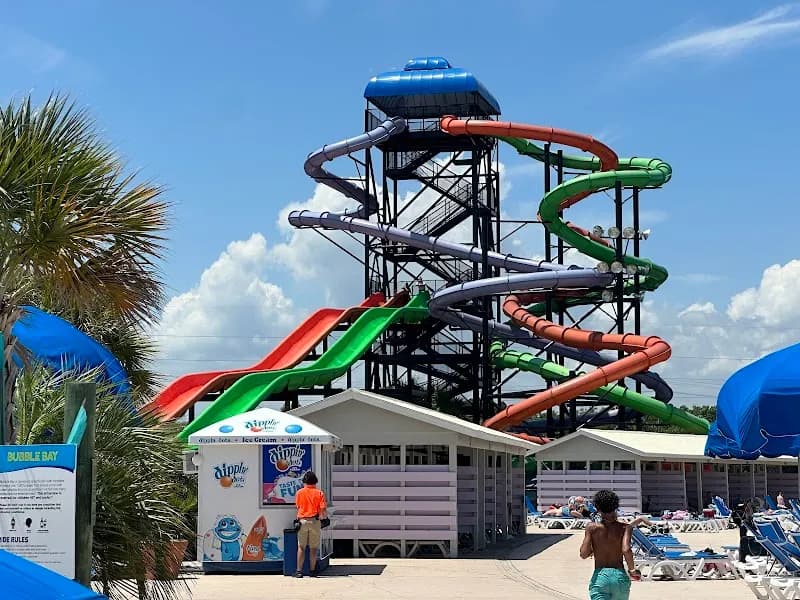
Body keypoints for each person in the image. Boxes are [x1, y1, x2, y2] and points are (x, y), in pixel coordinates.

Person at [579, 489, 639, 599]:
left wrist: (594, 548)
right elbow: (626, 550)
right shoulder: (625, 528)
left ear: (597, 508)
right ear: (616, 506)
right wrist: (632, 570)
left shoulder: (591, 528)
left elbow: (583, 554)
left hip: (600, 577)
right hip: (619, 576)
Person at [293, 471, 328, 578]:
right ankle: (312, 571)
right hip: (315, 521)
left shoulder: (299, 493)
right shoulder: (319, 493)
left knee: (301, 547)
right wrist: (323, 518)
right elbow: (323, 510)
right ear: (315, 481)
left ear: (304, 481)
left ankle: (299, 571)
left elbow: (298, 507)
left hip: (302, 521)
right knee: (313, 548)